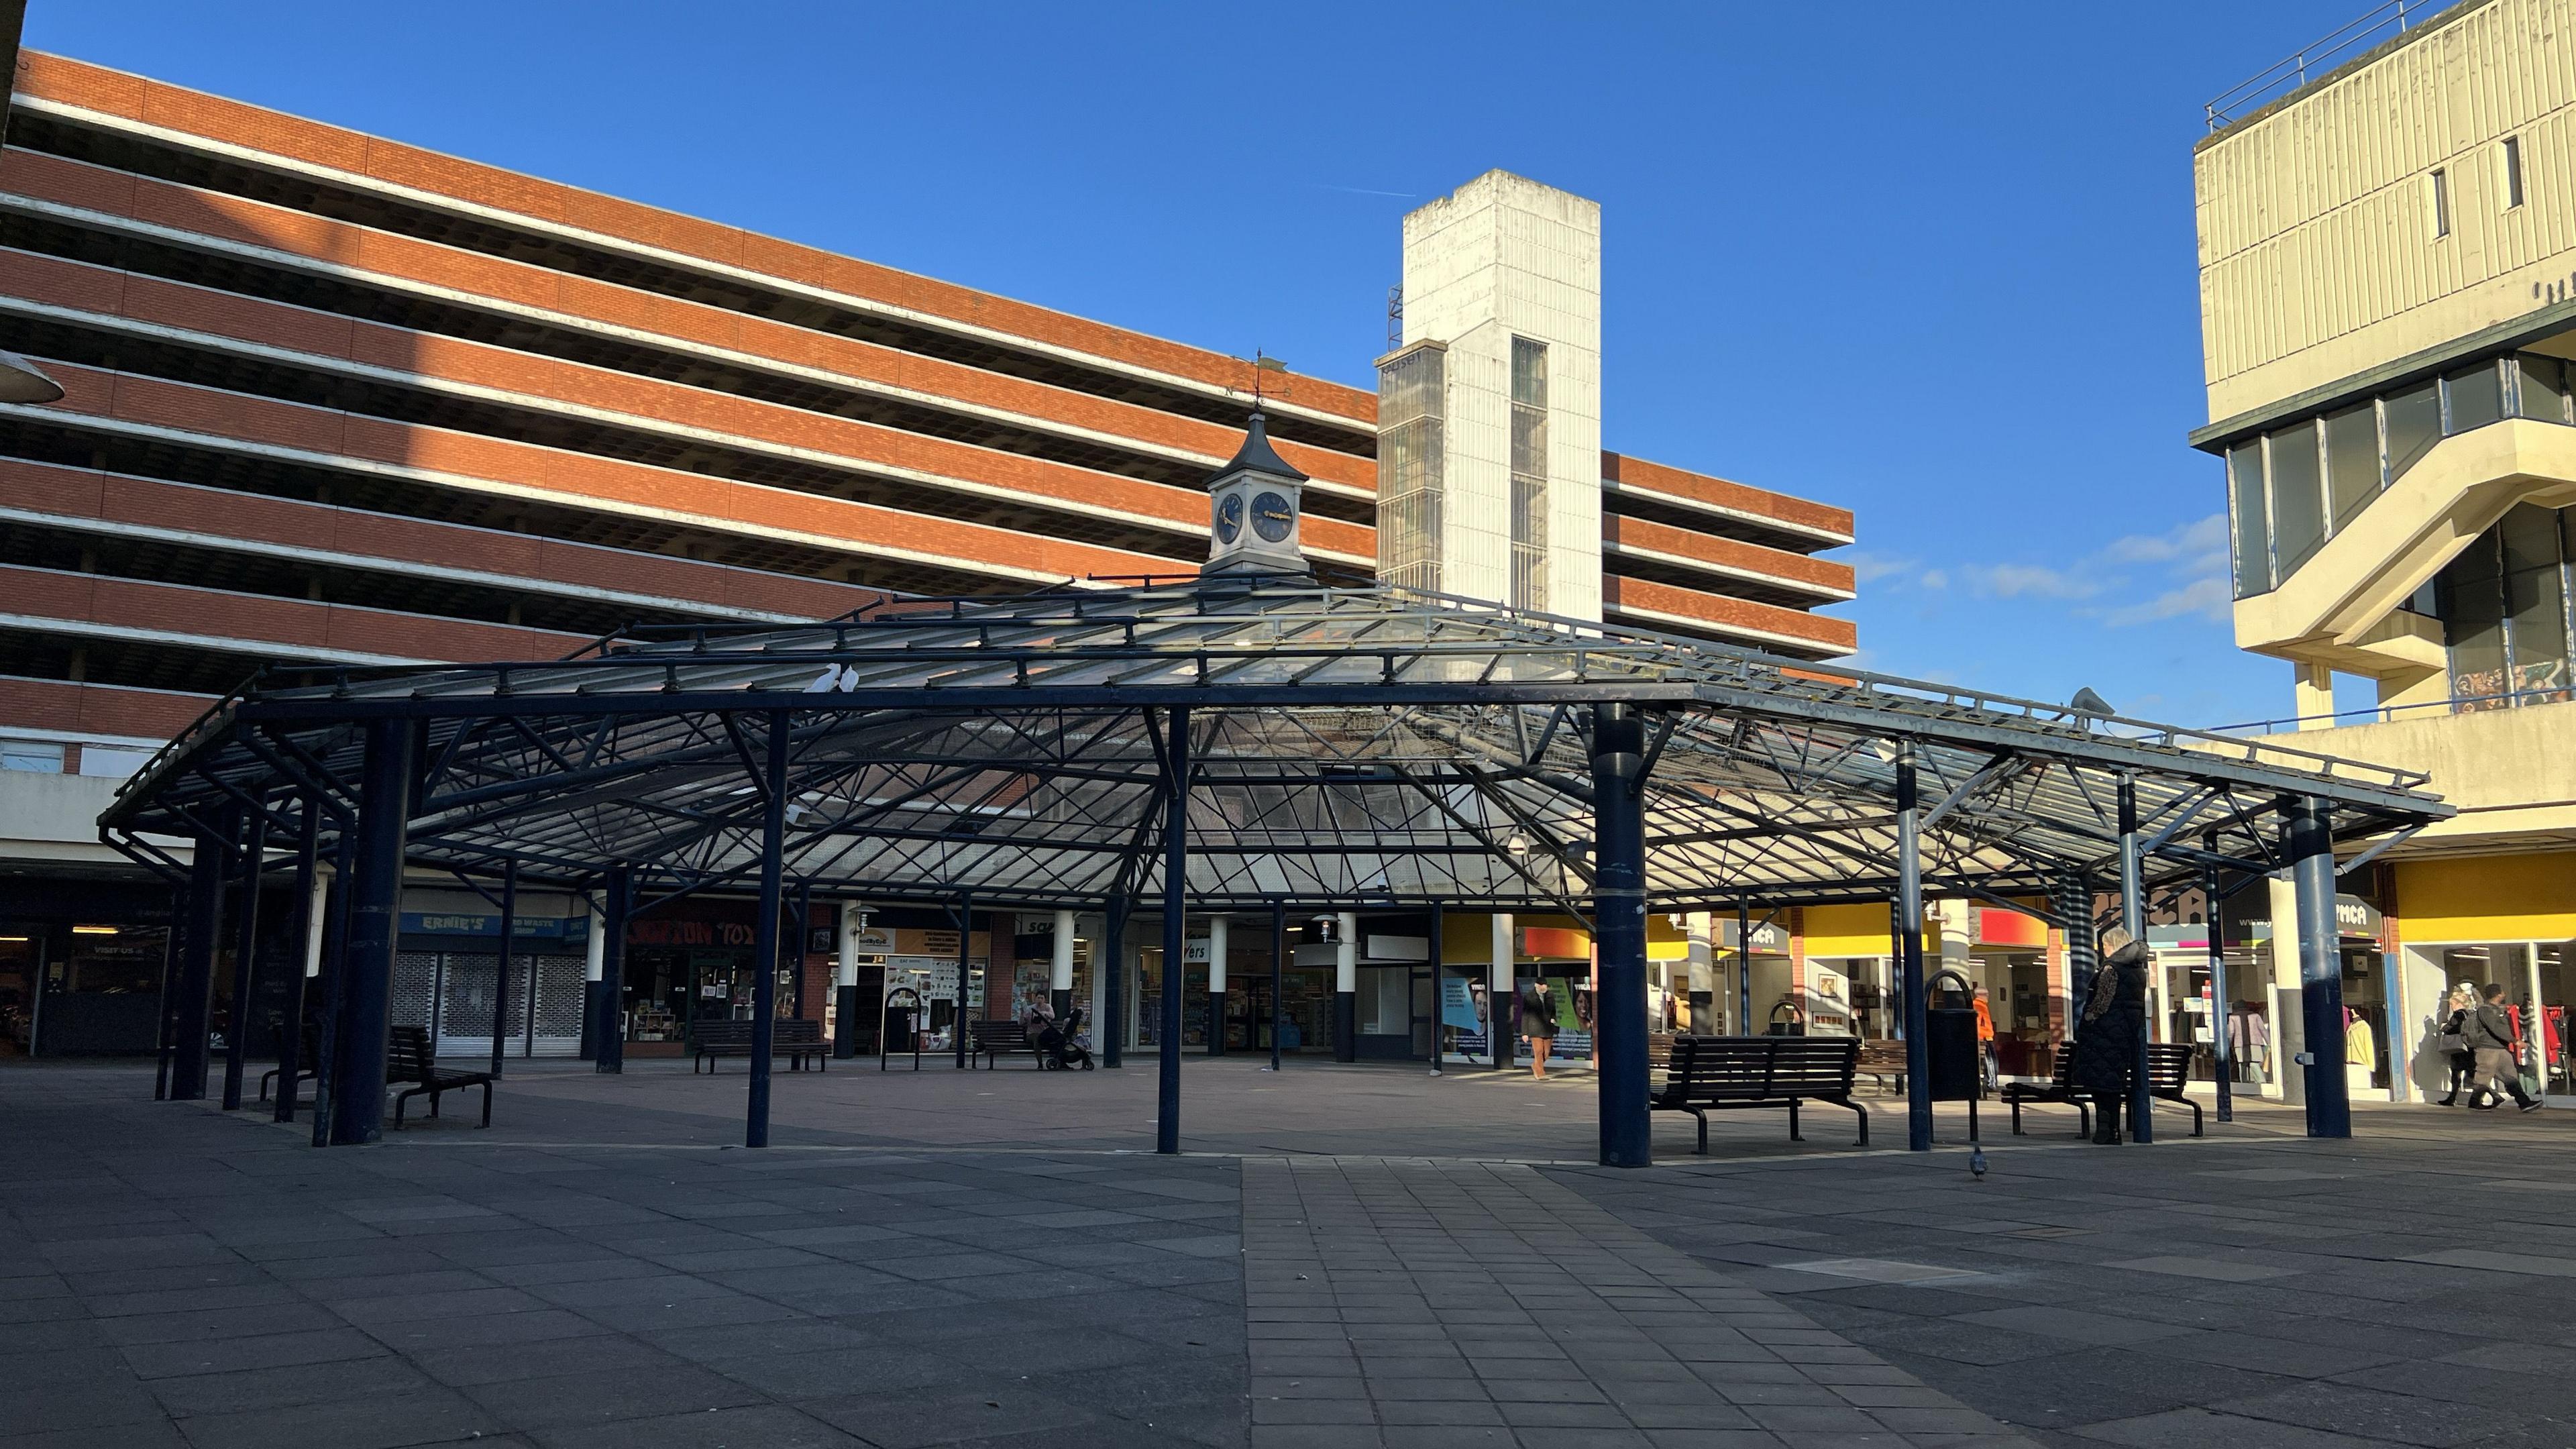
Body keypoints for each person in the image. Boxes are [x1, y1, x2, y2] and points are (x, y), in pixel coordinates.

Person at [2068, 925, 2149, 1144]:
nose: (2102, 949)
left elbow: (2103, 1000)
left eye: (2104, 944)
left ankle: (2105, 1128)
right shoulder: (2137, 970)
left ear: (2113, 945)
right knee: (2114, 1083)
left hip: (2103, 1035)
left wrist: (2089, 1017)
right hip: (2124, 1035)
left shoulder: (2111, 969)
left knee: (2101, 1084)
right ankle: (2114, 1130)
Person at [2465, 982, 2540, 1112]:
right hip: (2488, 1049)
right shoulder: (2486, 1010)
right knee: (2483, 1077)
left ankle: (2524, 1103)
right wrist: (2515, 1041)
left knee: (2510, 1076)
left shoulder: (2495, 1010)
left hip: (2500, 1049)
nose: (2504, 994)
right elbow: (2496, 1028)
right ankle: (2474, 1102)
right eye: (2503, 992)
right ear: (2498, 994)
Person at [2434, 983, 2479, 1106]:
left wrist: (2444, 1028)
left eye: (2452, 1004)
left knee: (2460, 1074)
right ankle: (2453, 1098)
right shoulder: (2470, 1013)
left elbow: (2453, 1028)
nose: (2451, 1006)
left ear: (2459, 1004)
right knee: (2466, 1074)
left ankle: (2491, 1095)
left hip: (2459, 1049)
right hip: (2468, 1047)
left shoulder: (2458, 1014)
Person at [1523, 979, 1560, 1079]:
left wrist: (1553, 1019)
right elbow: (1525, 1015)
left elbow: (1554, 1011)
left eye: (1545, 985)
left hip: (1547, 1029)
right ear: (1536, 985)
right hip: (1535, 1029)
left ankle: (1535, 1065)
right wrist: (1525, 1033)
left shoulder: (1550, 996)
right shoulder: (1529, 997)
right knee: (1538, 1051)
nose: (1544, 987)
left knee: (1546, 1053)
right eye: (1542, 985)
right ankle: (1540, 1074)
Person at [1972, 985, 1998, 1091]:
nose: (1988, 996)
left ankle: (1990, 1082)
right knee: (1991, 1061)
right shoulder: (1979, 1006)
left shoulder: (1980, 1005)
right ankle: (1991, 1083)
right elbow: (1978, 1023)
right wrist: (1980, 1037)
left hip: (1985, 1036)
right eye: (1987, 994)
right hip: (1984, 1037)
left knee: (1990, 1060)